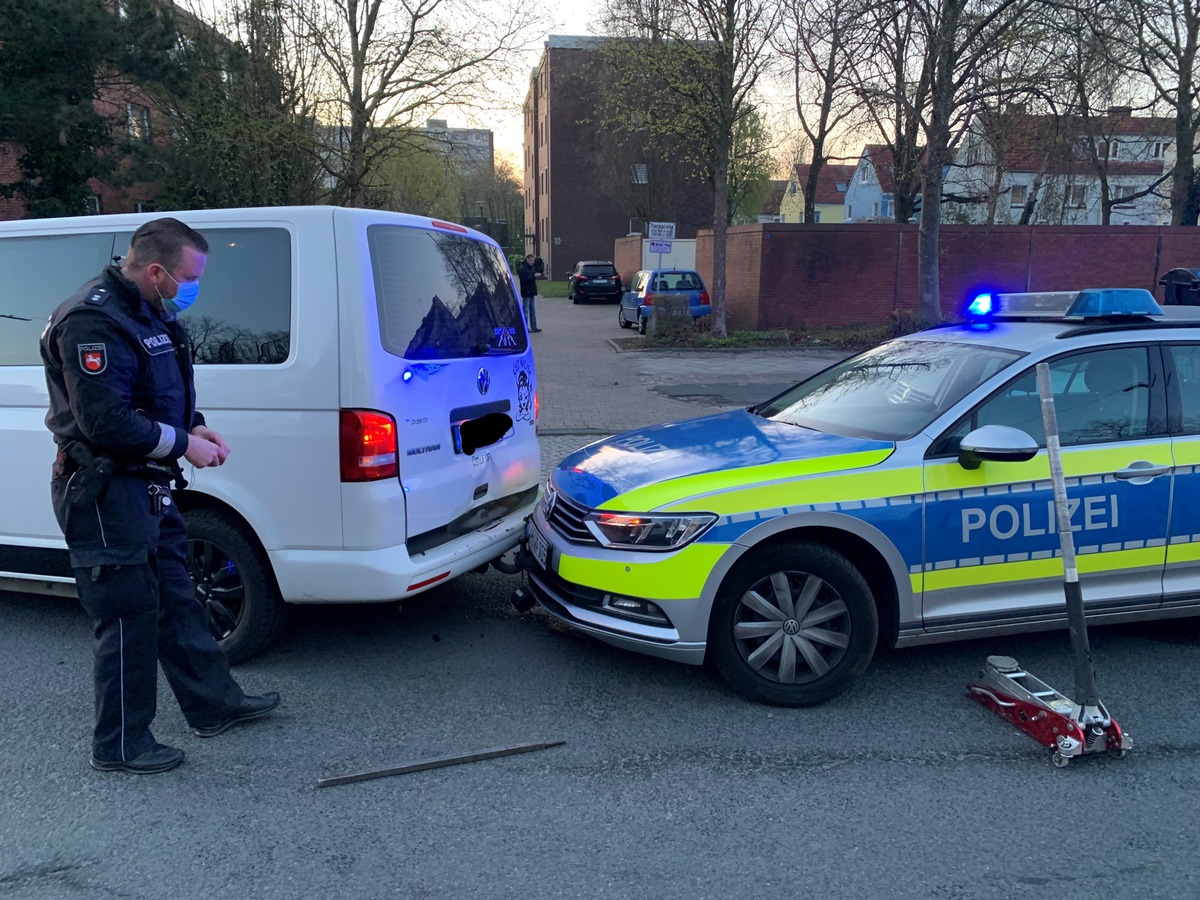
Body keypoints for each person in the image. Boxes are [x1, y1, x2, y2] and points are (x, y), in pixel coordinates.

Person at [41, 217, 280, 775]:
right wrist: (182, 446)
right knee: (128, 615)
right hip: (103, 488)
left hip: (146, 484)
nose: (194, 287)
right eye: (189, 276)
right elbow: (105, 421)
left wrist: (193, 426)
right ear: (156, 271)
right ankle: (120, 744)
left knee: (177, 599)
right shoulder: (93, 319)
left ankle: (214, 705)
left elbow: (158, 391)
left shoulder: (149, 312)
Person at [517, 253, 543, 332]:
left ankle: (534, 326)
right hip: (526, 292)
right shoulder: (523, 269)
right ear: (527, 260)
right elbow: (525, 280)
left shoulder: (529, 268)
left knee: (532, 311)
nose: (533, 262)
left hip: (530, 292)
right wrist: (534, 275)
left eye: (533, 260)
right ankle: (525, 328)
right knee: (526, 311)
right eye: (532, 260)